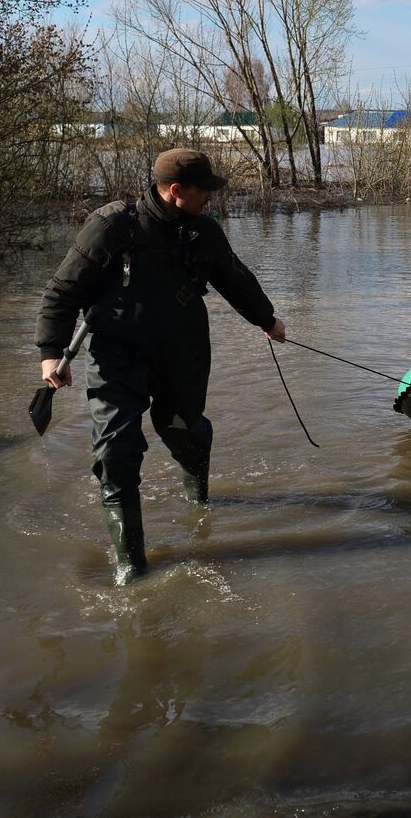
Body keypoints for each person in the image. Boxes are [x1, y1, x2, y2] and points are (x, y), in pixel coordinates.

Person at [35, 148, 285, 584]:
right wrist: (51, 353)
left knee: (188, 432)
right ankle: (131, 565)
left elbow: (234, 278)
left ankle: (199, 503)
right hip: (117, 355)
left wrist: (267, 320)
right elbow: (62, 292)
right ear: (176, 191)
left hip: (182, 352)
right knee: (116, 454)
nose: (210, 197)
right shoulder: (112, 226)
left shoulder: (204, 232)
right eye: (204, 190)